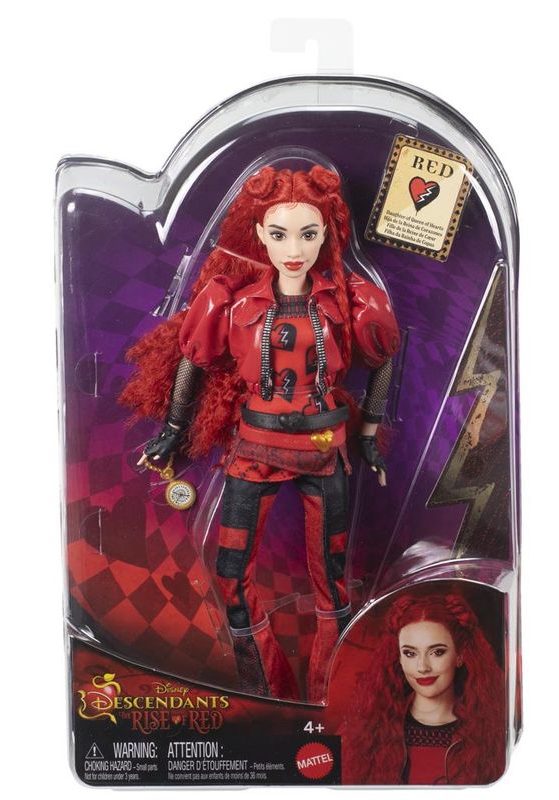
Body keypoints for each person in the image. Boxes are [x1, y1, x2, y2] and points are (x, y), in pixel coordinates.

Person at [120, 164, 400, 702]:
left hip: (324, 449)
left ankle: (329, 693)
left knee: (333, 580)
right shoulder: (232, 301)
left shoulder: (350, 301)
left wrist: (367, 433)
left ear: (326, 233)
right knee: (230, 574)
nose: (294, 248)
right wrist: (174, 427)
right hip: (255, 448)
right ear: (259, 234)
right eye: (279, 234)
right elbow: (191, 361)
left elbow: (382, 357)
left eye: (308, 234)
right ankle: (265, 690)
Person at [341, 592, 506, 784]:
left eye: (437, 652)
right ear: (399, 658)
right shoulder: (367, 730)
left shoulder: (492, 731)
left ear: (460, 655)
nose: (422, 667)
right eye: (410, 653)